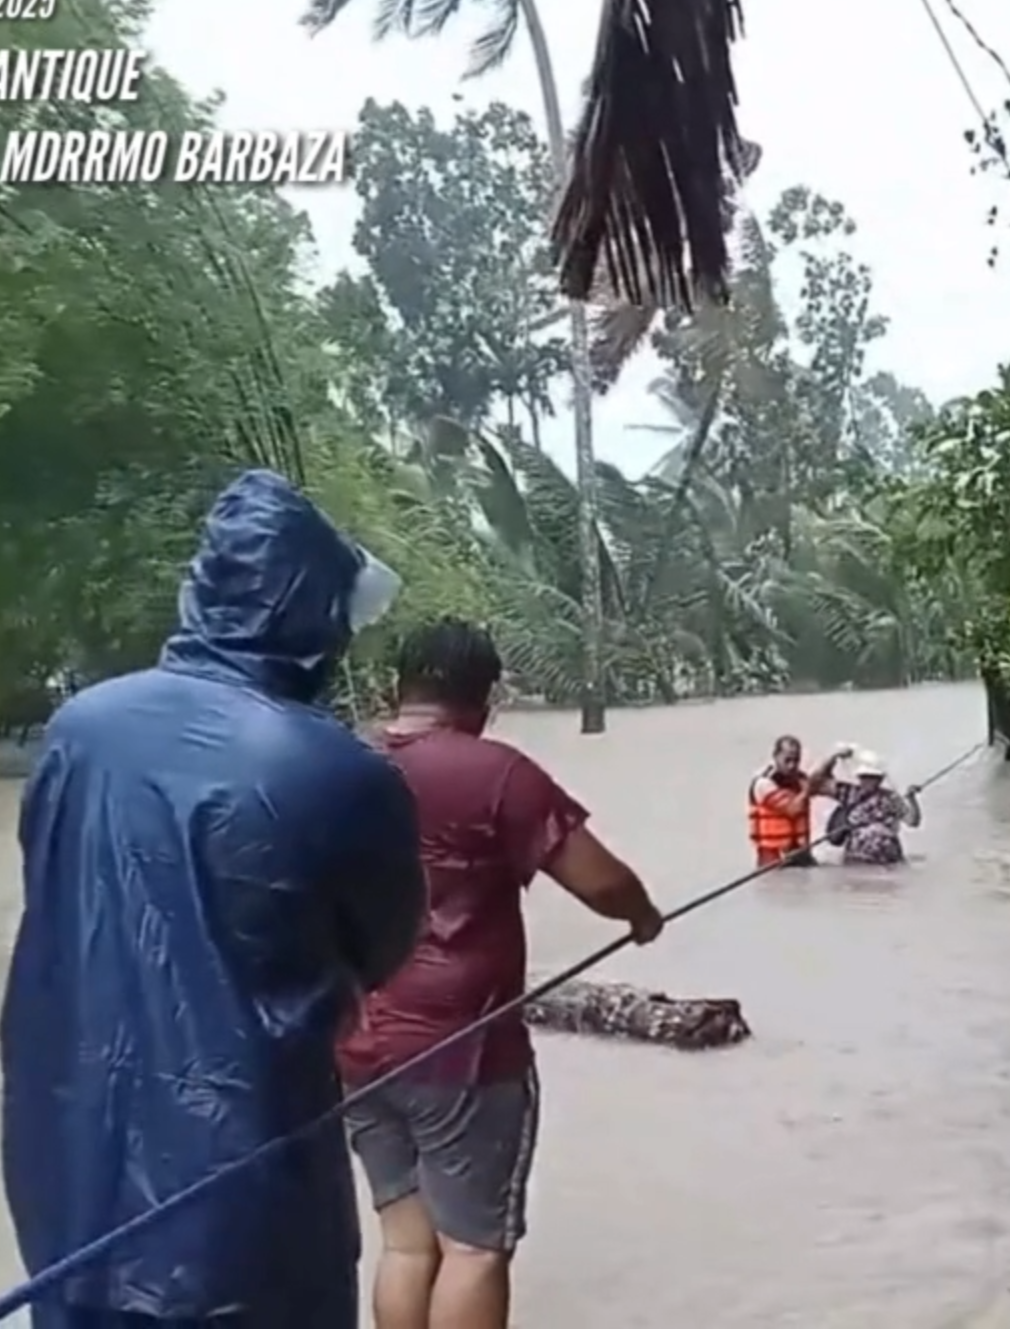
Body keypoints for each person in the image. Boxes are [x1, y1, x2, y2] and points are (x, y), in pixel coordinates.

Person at [1, 468, 427, 1329]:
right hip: (248, 1204)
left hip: (67, 1174)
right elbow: (385, 946)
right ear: (314, 613)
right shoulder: (339, 770)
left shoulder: (82, 728)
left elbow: (49, 901)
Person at [338, 618, 665, 1329]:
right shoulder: (494, 772)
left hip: (356, 1045)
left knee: (405, 1245)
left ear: (400, 686)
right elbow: (601, 882)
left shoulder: (339, 762)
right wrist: (642, 916)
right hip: (464, 1050)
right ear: (484, 698)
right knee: (474, 1249)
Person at [748, 736, 851, 868]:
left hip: (801, 855)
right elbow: (793, 808)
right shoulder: (764, 784)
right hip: (774, 859)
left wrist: (832, 759)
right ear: (775, 756)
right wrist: (810, 786)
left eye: (796, 760)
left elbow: (819, 781)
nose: (792, 765)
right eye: (787, 760)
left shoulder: (799, 779)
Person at [825, 748, 922, 865]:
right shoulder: (849, 793)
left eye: (872, 777)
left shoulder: (890, 798)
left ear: (880, 779)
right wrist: (833, 757)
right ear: (859, 777)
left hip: (888, 863)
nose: (868, 781)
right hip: (856, 861)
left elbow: (913, 821)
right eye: (864, 777)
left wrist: (912, 800)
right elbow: (819, 781)